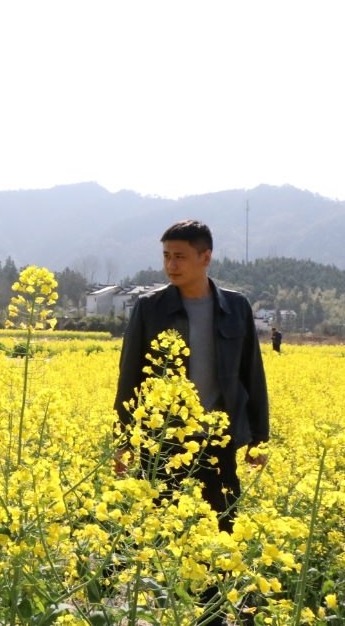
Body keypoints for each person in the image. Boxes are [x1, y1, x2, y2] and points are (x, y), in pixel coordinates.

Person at [113, 220, 269, 537]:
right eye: (167, 256)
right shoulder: (149, 307)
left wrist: (258, 440)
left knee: (222, 533)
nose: (171, 265)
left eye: (180, 256)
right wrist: (122, 442)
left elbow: (252, 377)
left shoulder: (236, 307)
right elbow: (129, 378)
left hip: (218, 442)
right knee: (157, 536)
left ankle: (215, 589)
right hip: (161, 443)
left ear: (205, 257)